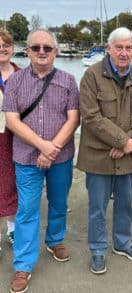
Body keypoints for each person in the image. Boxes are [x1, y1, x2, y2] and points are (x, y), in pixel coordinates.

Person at [2, 28, 80, 293]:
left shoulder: (69, 80)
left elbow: (74, 118)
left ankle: (55, 239)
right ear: (28, 51)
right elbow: (12, 120)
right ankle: (23, 264)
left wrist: (53, 148)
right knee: (27, 210)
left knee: (59, 202)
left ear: (56, 51)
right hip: (26, 157)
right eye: (36, 48)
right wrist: (42, 147)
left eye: (47, 47)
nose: (42, 52)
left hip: (61, 157)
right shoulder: (15, 81)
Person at [77, 27, 132, 275]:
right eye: (118, 47)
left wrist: (128, 142)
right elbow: (91, 116)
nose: (123, 52)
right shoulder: (91, 75)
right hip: (98, 155)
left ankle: (122, 243)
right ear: (109, 48)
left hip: (129, 155)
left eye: (128, 48)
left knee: (125, 203)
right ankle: (98, 250)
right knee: (97, 207)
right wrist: (123, 141)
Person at [0, 30, 20, 255]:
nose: (2, 49)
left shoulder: (23, 74)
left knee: (15, 182)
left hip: (18, 137)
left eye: (6, 45)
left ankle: (13, 229)